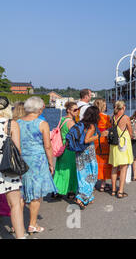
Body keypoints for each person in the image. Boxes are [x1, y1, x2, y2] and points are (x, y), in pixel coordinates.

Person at [17, 96, 57, 234]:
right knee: (36, 194)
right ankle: (32, 224)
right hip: (37, 162)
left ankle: (18, 224)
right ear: (39, 109)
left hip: (21, 160)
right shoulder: (42, 123)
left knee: (21, 193)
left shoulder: (17, 122)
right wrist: (51, 163)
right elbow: (47, 146)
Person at [0, 96, 26, 239]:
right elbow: (17, 149)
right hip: (8, 168)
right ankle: (20, 236)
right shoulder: (12, 124)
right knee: (15, 204)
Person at [75, 106, 107, 209]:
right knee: (91, 173)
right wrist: (100, 135)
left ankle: (88, 196)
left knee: (82, 174)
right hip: (87, 151)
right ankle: (82, 197)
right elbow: (87, 140)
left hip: (79, 152)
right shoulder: (91, 126)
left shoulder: (81, 123)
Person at [53, 101, 79, 200]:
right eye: (75, 110)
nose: (77, 112)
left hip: (62, 147)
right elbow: (76, 136)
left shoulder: (62, 119)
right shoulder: (71, 122)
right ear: (68, 110)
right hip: (69, 149)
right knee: (70, 170)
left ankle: (58, 189)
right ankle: (70, 190)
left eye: (78, 109)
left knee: (60, 169)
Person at [109, 101, 133, 198]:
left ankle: (114, 189)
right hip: (123, 144)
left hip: (114, 145)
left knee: (114, 167)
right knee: (123, 168)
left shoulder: (112, 118)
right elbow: (130, 132)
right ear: (122, 107)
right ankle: (120, 191)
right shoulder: (126, 118)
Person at [93, 99, 113, 192]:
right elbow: (110, 128)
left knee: (94, 162)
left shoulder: (92, 117)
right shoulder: (106, 117)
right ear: (102, 106)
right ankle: (102, 184)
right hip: (104, 141)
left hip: (94, 140)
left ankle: (92, 183)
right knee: (104, 162)